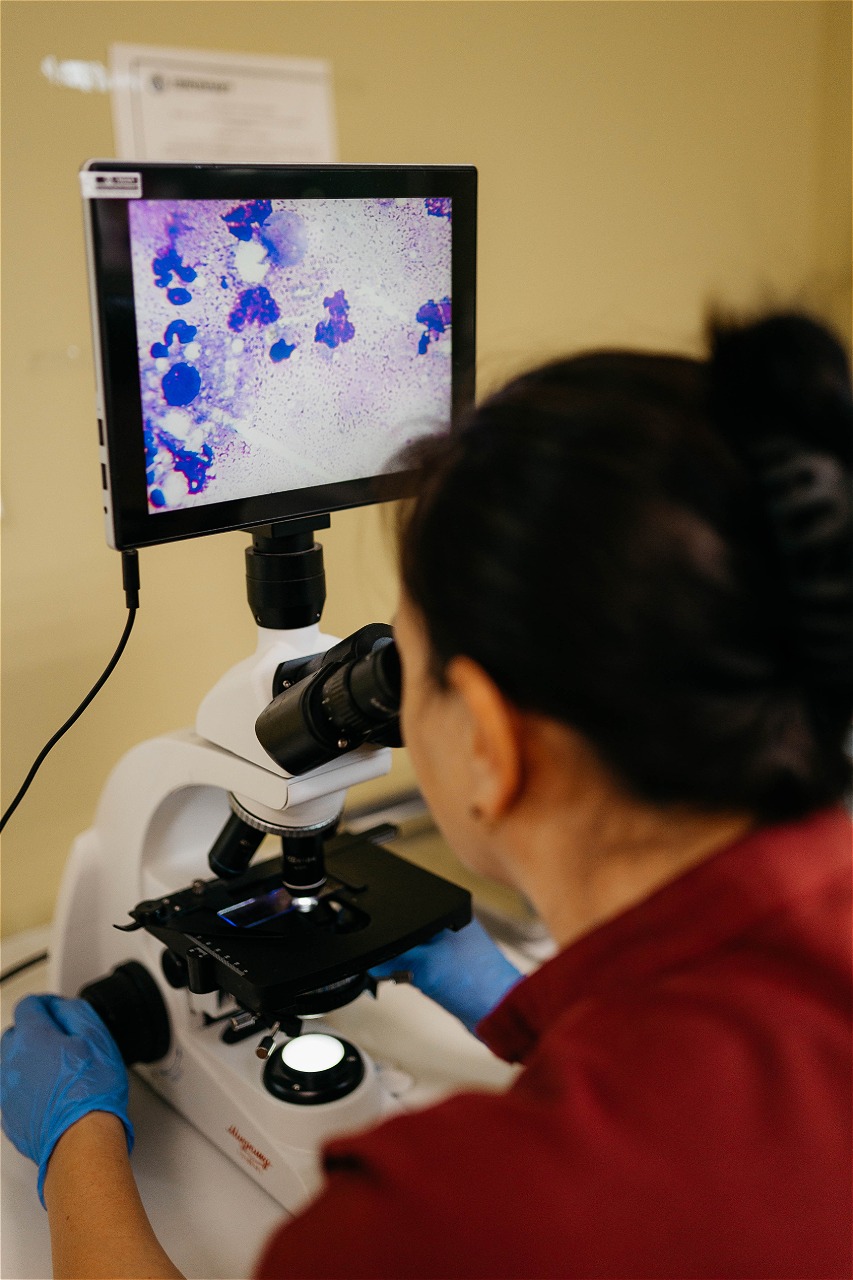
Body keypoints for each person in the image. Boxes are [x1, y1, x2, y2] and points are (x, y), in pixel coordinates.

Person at [2, 310, 851, 1279]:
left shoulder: (434, 1218)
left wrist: (77, 1144)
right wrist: (524, 1007)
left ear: (486, 738)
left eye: (402, 667)